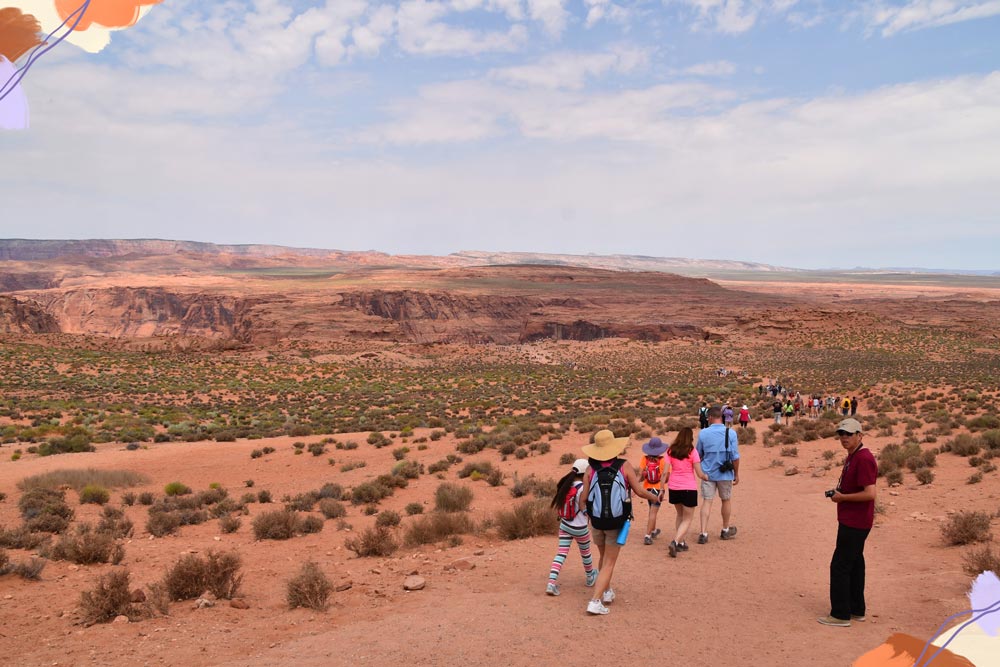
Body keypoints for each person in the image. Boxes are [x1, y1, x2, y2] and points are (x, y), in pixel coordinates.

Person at [581, 429, 660, 615]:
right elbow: (639, 491)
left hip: (597, 522)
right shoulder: (624, 466)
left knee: (603, 558)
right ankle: (595, 601)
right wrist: (655, 498)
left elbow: (582, 499)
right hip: (616, 522)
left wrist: (588, 514)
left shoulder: (590, 469)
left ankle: (606, 592)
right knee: (609, 562)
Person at [818, 418, 878, 627]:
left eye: (849, 434)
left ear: (860, 435)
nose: (844, 438)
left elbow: (870, 493)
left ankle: (840, 614)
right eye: (841, 434)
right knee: (855, 563)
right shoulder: (853, 456)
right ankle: (856, 609)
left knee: (841, 565)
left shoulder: (863, 458)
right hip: (852, 519)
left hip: (856, 521)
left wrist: (842, 498)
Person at [547, 459, 597, 596]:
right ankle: (590, 577)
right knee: (585, 553)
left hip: (565, 525)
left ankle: (551, 583)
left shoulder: (566, 485)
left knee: (561, 553)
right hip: (580, 527)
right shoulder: (583, 488)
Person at [695, 407, 740, 544]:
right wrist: (736, 474)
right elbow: (735, 456)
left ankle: (703, 533)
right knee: (725, 500)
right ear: (722, 417)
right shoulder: (731, 433)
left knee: (707, 501)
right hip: (725, 473)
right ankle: (725, 529)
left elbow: (698, 454)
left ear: (709, 418)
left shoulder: (703, 433)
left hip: (707, 473)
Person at [664, 427, 708, 557]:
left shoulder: (671, 451)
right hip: (688, 487)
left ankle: (681, 543)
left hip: (674, 487)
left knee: (680, 515)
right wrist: (706, 477)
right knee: (688, 518)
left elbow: (665, 471)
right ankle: (676, 541)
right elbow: (699, 473)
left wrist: (662, 487)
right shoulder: (692, 451)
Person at [639, 437, 667, 545]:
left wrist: (635, 486)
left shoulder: (644, 459)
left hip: (647, 488)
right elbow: (666, 477)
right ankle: (647, 535)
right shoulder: (663, 460)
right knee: (653, 512)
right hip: (657, 488)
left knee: (651, 509)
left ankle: (654, 531)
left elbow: (640, 475)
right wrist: (661, 488)